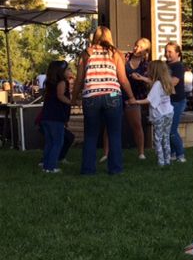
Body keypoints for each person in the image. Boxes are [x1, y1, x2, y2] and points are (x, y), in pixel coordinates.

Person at [71, 26, 136, 175]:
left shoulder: (86, 53)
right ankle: (116, 169)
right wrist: (131, 96)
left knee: (91, 135)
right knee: (114, 134)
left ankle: (88, 170)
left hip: (91, 97)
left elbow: (79, 79)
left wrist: (74, 98)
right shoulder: (116, 53)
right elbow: (123, 79)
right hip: (113, 96)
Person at [102, 37, 150, 162]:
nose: (136, 48)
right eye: (136, 45)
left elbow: (152, 81)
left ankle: (141, 153)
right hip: (118, 94)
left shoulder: (146, 64)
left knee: (136, 125)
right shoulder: (125, 57)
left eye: (140, 47)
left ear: (146, 51)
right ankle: (106, 154)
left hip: (134, 97)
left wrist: (140, 78)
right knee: (109, 124)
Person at [130, 61, 174, 167]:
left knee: (157, 139)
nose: (147, 71)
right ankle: (167, 160)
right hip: (169, 113)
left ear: (154, 71)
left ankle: (161, 162)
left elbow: (149, 100)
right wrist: (141, 78)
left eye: (149, 69)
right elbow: (153, 82)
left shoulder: (157, 84)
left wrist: (135, 101)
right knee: (166, 137)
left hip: (159, 115)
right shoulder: (166, 81)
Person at [40, 61, 72, 173]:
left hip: (46, 116)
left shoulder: (49, 83)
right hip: (55, 117)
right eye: (68, 69)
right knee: (58, 142)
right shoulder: (62, 82)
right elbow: (60, 95)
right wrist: (71, 102)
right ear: (61, 71)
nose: (70, 71)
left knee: (50, 142)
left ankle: (45, 163)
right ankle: (51, 167)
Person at [164, 42, 187, 163]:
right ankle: (172, 153)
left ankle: (180, 155)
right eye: (166, 51)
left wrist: (158, 84)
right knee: (167, 129)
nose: (167, 54)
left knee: (172, 130)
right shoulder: (164, 65)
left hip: (177, 102)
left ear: (177, 53)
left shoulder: (178, 66)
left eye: (170, 52)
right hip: (167, 102)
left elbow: (174, 82)